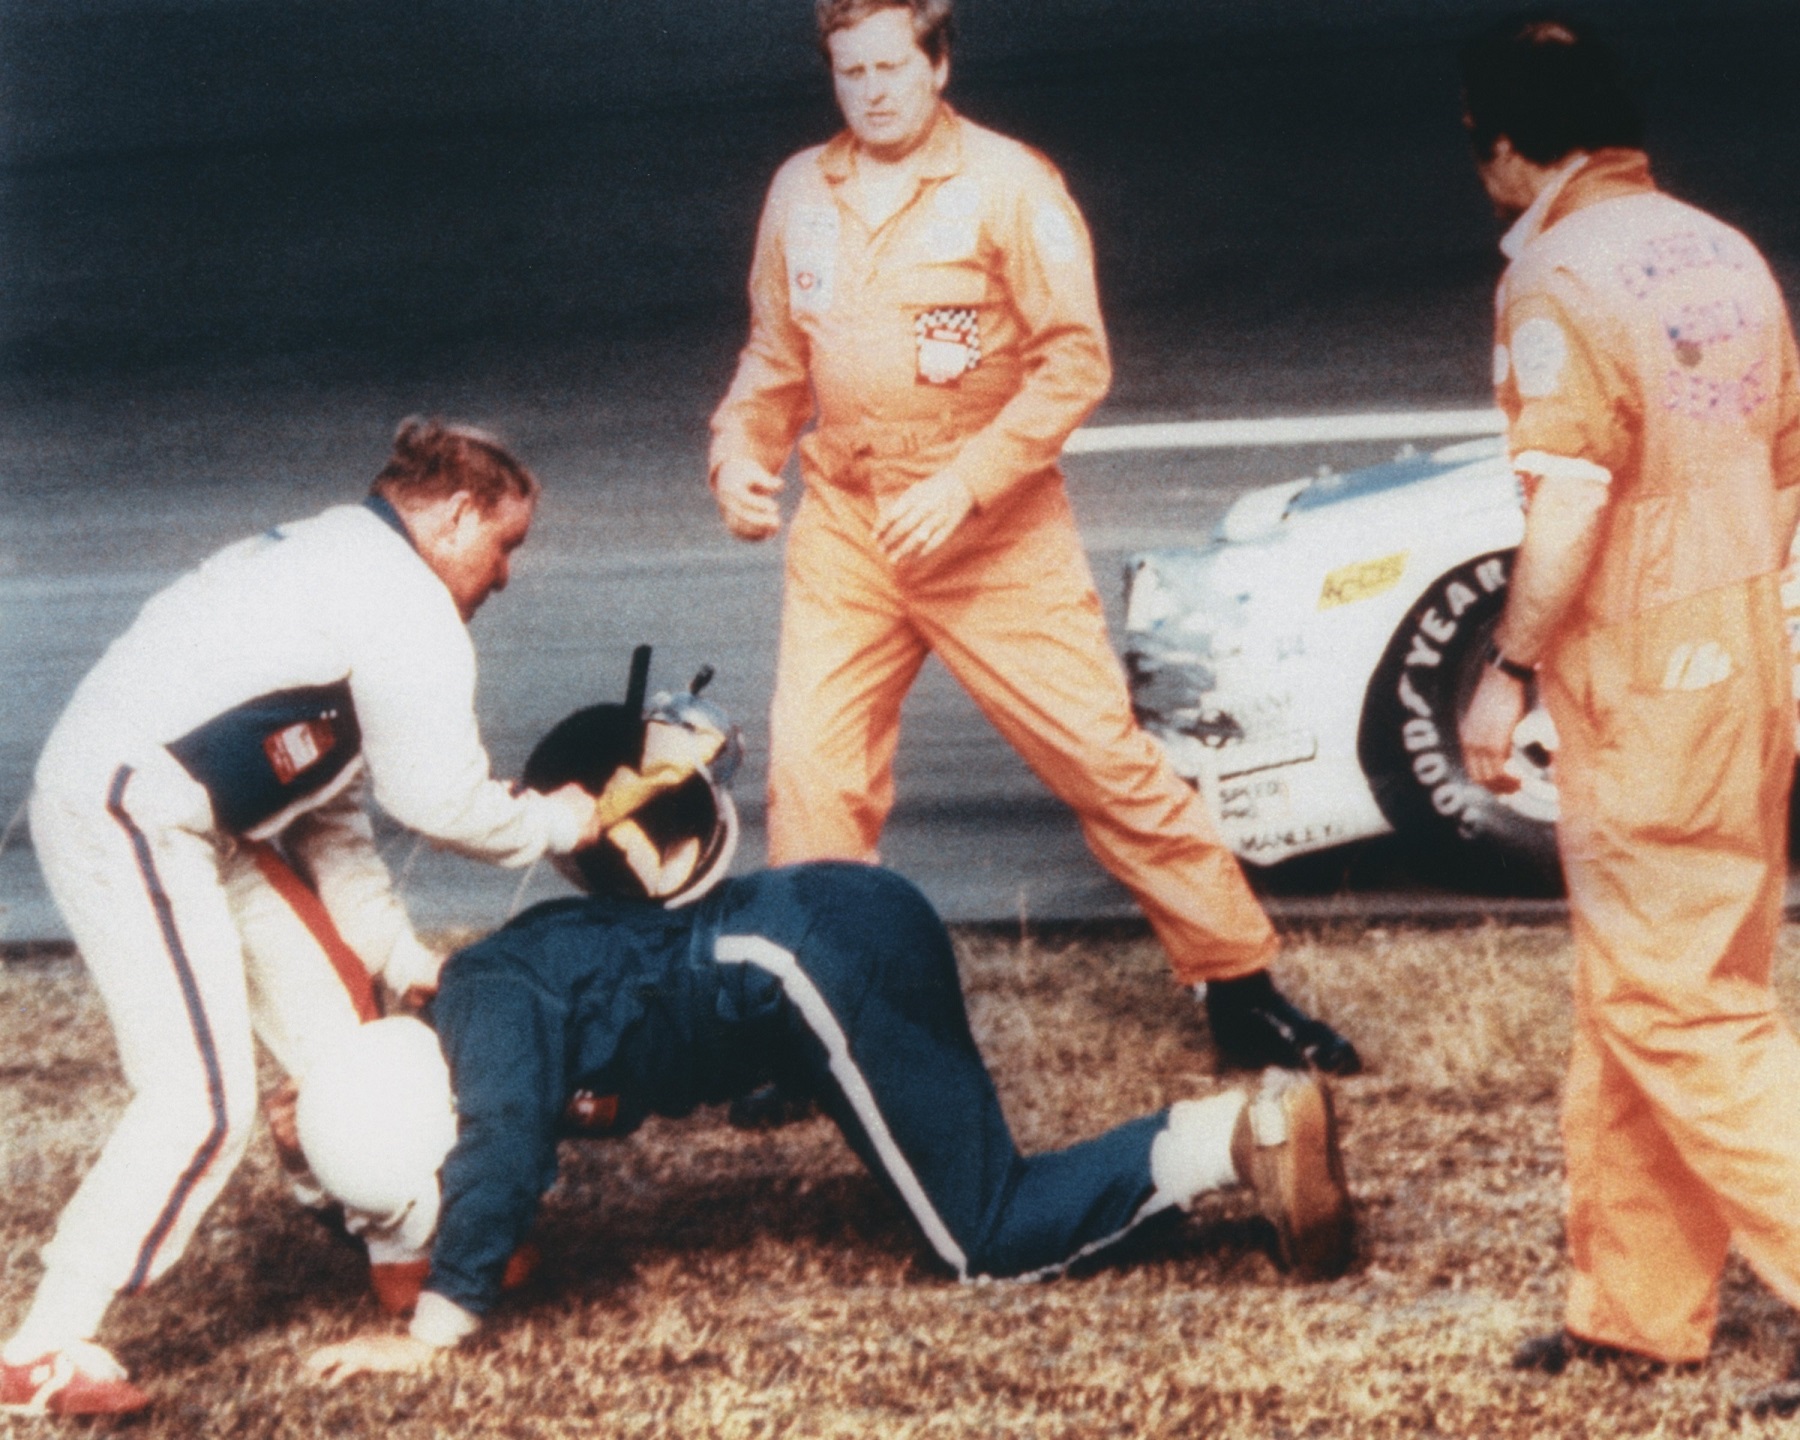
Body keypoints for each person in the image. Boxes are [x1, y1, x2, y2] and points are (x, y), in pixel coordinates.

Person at [297, 699, 1356, 1383]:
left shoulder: (482, 1015)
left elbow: (501, 1154)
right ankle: (1232, 1134)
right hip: (839, 904)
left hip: (805, 961)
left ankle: (1244, 1134)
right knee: (952, 1164)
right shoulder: (490, 985)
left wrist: (436, 1325)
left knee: (980, 1239)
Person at [706, 0, 1359, 1076]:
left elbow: (1073, 363)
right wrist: (740, 454)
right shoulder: (797, 195)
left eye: (890, 67)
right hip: (851, 531)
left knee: (1104, 762)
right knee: (814, 779)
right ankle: (810, 1023)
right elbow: (772, 363)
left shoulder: (1011, 186)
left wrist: (965, 487)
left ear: (940, 62)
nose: (871, 90)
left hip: (993, 535)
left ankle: (1239, 987)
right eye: (849, 70)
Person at [0, 419, 609, 1416]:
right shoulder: (403, 600)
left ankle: (407, 1262)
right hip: (132, 808)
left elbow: (332, 823)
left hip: (191, 814)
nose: (505, 575)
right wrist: (560, 821)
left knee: (349, 1041)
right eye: (507, 543)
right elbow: (439, 802)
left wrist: (403, 956)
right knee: (200, 1100)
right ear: (457, 515)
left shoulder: (349, 561)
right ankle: (42, 1349)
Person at [1454, 15, 1800, 1395]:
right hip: (1745, 660)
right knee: (1651, 989)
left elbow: (1572, 501)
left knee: (1677, 1011)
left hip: (1647, 686)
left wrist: (1511, 668)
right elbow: (1784, 469)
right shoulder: (1720, 250)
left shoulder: (1554, 278)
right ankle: (1635, 1314)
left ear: (1502, 149)